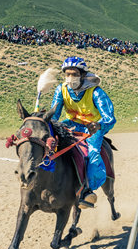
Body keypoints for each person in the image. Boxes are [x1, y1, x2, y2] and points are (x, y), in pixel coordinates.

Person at [49, 56, 116, 208]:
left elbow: (110, 118)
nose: (70, 78)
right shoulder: (61, 90)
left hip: (92, 128)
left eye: (74, 74)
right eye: (67, 74)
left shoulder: (95, 92)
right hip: (70, 125)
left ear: (83, 75)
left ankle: (87, 190)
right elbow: (55, 115)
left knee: (93, 154)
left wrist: (99, 125)